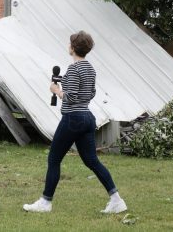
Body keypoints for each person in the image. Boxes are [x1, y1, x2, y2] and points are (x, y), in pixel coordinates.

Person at [23, 31, 127, 214]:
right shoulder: (90, 69)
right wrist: (67, 85)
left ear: (72, 48)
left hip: (73, 119)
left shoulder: (73, 69)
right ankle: (116, 200)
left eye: (69, 43)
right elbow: (91, 92)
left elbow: (69, 97)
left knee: (54, 159)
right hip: (87, 118)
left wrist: (56, 89)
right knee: (92, 161)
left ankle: (45, 203)